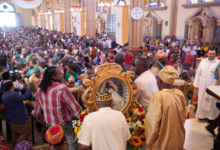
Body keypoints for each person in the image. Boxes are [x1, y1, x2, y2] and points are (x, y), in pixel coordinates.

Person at [145, 65, 186, 150]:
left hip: (163, 140)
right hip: (178, 137)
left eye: (157, 78)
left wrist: (149, 139)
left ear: (160, 81)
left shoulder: (158, 96)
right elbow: (183, 117)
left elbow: (153, 122)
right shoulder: (179, 93)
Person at [2, 81, 31, 148]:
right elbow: (26, 96)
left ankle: (13, 147)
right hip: (17, 119)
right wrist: (28, 86)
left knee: (15, 134)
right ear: (12, 87)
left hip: (11, 118)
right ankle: (17, 148)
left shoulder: (4, 94)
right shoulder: (13, 94)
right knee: (26, 132)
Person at [194, 48, 219, 121]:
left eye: (213, 54)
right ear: (207, 54)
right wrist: (196, 84)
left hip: (213, 87)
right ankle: (201, 116)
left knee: (212, 102)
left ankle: (211, 117)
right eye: (210, 53)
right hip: (203, 86)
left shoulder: (218, 63)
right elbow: (198, 73)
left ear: (215, 54)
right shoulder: (203, 62)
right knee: (201, 99)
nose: (212, 55)